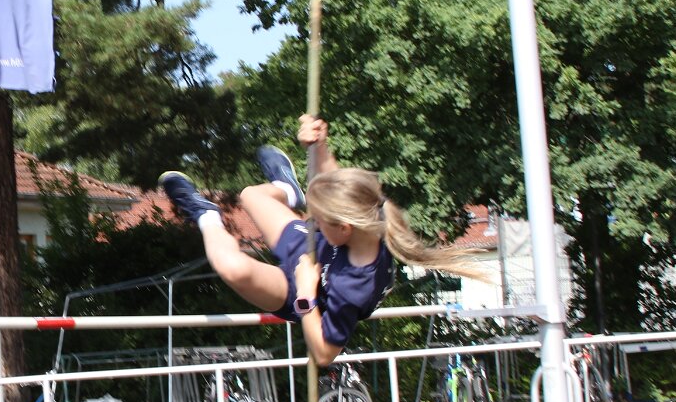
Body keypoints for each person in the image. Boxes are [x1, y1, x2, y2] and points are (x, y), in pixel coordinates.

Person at [161, 114, 486, 366]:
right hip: (314, 249)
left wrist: (305, 295)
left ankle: (205, 214)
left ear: (344, 228)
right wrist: (318, 144)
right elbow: (335, 182)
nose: (311, 218)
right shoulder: (364, 214)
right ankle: (288, 188)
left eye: (317, 216)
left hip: (304, 289)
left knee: (232, 268)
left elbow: (324, 353)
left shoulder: (355, 286)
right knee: (251, 195)